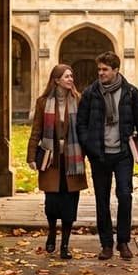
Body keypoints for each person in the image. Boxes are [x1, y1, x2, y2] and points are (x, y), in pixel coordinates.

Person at [76, 51, 138, 261]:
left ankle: (123, 242)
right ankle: (106, 244)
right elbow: (81, 123)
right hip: (99, 154)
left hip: (123, 154)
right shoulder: (90, 93)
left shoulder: (130, 92)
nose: (101, 73)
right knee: (102, 200)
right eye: (99, 69)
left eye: (105, 69)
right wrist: (88, 144)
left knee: (125, 195)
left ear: (116, 70)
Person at [26, 64, 87, 259]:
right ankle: (52, 232)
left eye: (72, 76)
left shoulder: (79, 100)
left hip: (72, 157)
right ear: (56, 80)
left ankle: (65, 245)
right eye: (67, 76)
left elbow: (84, 130)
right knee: (52, 202)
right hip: (50, 157)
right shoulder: (43, 102)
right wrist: (31, 156)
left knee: (70, 201)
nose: (71, 79)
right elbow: (36, 130)